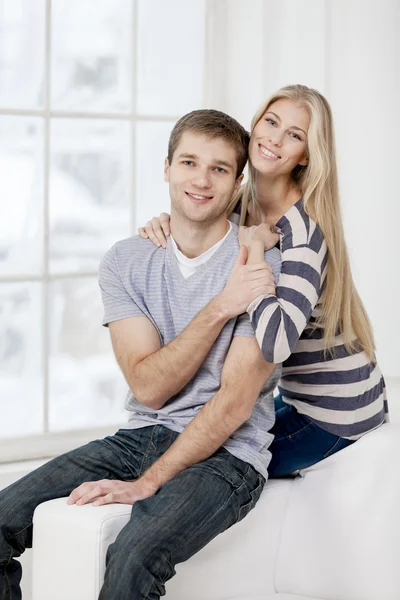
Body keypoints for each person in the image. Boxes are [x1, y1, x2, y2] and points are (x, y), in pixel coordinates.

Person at [0, 109, 282, 600]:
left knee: (134, 554)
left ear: (238, 182)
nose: (200, 179)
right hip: (140, 436)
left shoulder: (261, 263)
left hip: (228, 457)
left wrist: (148, 483)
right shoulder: (128, 260)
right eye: (189, 162)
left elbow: (236, 405)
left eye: (218, 168)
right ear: (167, 167)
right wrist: (221, 307)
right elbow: (150, 388)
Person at [139, 84, 388, 477]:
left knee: (207, 469)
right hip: (294, 397)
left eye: (294, 134)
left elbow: (274, 343)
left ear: (306, 154)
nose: (274, 138)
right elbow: (200, 229)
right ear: (255, 125)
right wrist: (166, 223)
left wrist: (255, 252)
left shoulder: (303, 233)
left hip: (336, 412)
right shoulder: (240, 205)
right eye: (271, 122)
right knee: (186, 438)